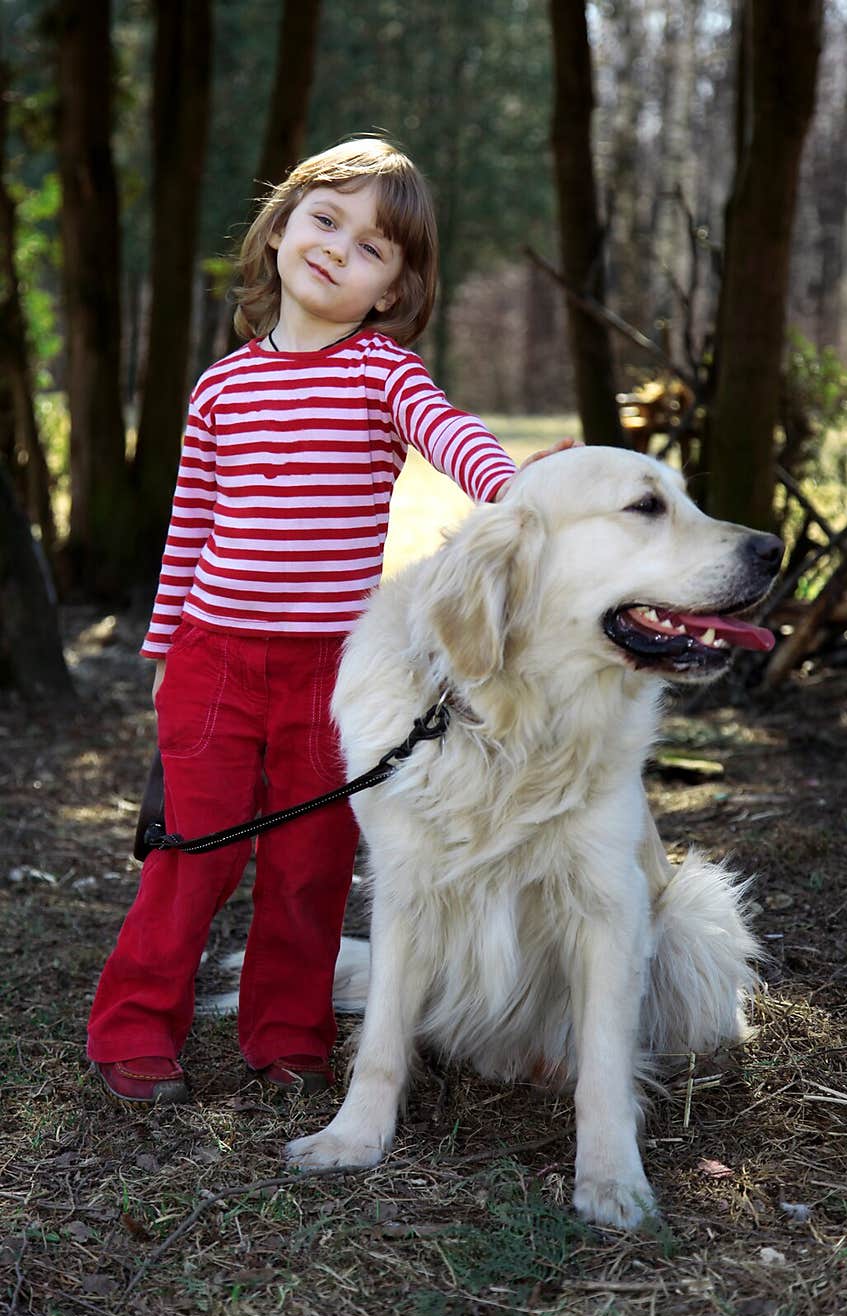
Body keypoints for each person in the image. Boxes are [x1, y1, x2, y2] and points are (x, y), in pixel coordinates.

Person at [87, 136, 573, 1103]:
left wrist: (520, 492)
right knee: (196, 849)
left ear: (392, 290)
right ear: (279, 230)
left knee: (311, 861)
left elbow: (452, 434)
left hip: (331, 668)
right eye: (326, 220)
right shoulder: (220, 387)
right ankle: (135, 1024)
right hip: (213, 659)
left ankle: (288, 1031)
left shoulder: (380, 375)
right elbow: (190, 526)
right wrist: (163, 648)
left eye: (373, 247)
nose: (339, 249)